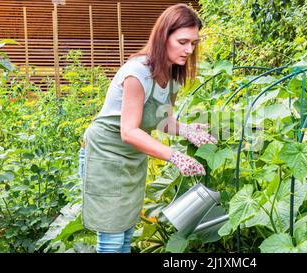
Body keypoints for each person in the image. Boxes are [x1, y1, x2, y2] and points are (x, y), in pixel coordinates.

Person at [78, 4, 216, 253]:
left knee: (127, 235)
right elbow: (129, 131)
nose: (189, 49)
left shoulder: (173, 75)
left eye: (193, 43)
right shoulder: (137, 73)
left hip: (131, 160)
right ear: (164, 37)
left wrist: (186, 129)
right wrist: (174, 156)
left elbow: (163, 121)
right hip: (105, 157)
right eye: (183, 41)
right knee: (111, 240)